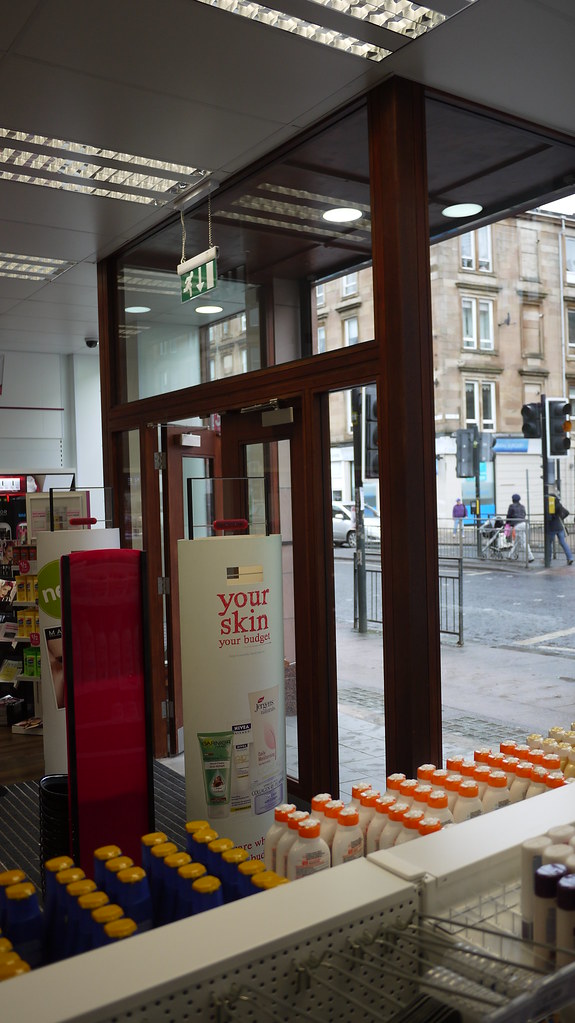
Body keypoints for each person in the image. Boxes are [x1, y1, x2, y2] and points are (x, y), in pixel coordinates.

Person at [506, 493, 534, 562]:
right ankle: (510, 555)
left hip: (518, 526)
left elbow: (509, 516)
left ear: (513, 499)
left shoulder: (511, 506)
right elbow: (524, 514)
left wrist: (507, 524)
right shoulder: (522, 506)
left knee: (524, 542)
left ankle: (530, 557)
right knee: (516, 542)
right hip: (524, 524)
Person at [547, 493, 573, 566]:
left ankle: (548, 560)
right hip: (560, 527)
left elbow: (549, 517)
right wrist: (561, 518)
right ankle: (570, 557)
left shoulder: (551, 505)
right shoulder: (559, 504)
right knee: (563, 543)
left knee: (549, 544)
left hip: (552, 527)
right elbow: (567, 512)